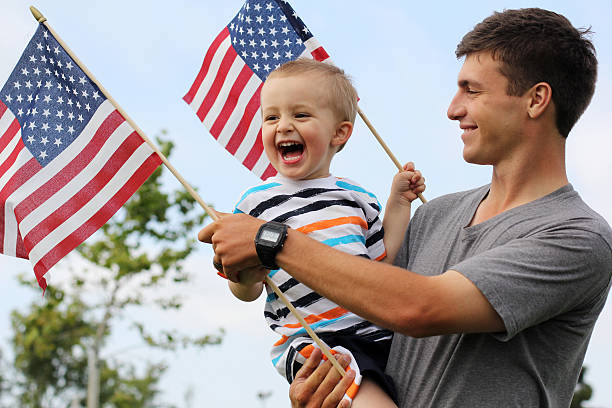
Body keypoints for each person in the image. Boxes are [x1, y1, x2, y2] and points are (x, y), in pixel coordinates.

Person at [199, 7, 612, 408]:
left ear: (536, 99)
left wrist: (268, 239)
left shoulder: (576, 236)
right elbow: (369, 291)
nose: (453, 108)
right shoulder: (435, 215)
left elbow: (418, 307)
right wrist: (321, 392)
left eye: (472, 89)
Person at [223, 59, 424, 407]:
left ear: (339, 133)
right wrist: (244, 275)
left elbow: (384, 261)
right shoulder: (256, 205)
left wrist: (399, 202)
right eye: (271, 117)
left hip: (379, 334)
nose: (283, 126)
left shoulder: (356, 197)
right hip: (317, 341)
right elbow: (246, 291)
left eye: (300, 116)